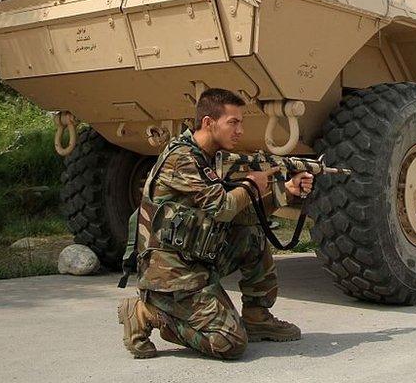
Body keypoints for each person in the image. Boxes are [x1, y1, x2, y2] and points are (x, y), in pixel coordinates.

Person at [117, 88, 314, 360]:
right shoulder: (181, 159)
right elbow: (223, 208)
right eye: (233, 122)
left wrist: (287, 191)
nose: (240, 130)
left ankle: (257, 316)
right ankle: (149, 312)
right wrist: (250, 184)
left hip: (197, 255)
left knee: (252, 233)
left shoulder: (207, 157)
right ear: (209, 123)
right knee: (230, 343)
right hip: (170, 272)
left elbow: (242, 214)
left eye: (241, 123)